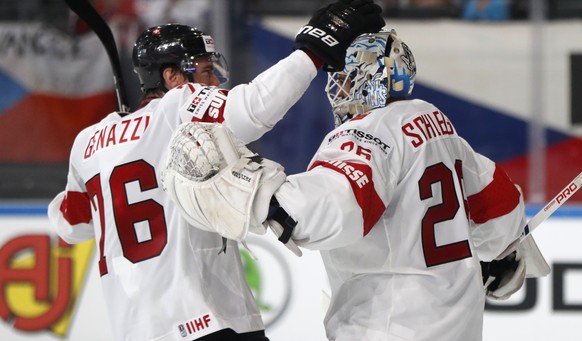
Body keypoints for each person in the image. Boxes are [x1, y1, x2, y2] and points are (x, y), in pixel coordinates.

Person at [161, 29, 551, 340]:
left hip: (387, 326)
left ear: (371, 81)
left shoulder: (365, 133)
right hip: (460, 328)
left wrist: (249, 186)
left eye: (347, 78)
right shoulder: (440, 126)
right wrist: (504, 251)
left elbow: (333, 210)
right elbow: (497, 203)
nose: (338, 88)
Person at [46, 1, 385, 340]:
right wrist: (314, 50)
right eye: (205, 71)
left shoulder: (88, 143)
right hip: (209, 322)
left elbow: (71, 224)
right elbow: (254, 108)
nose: (214, 82)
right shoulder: (177, 106)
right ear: (171, 77)